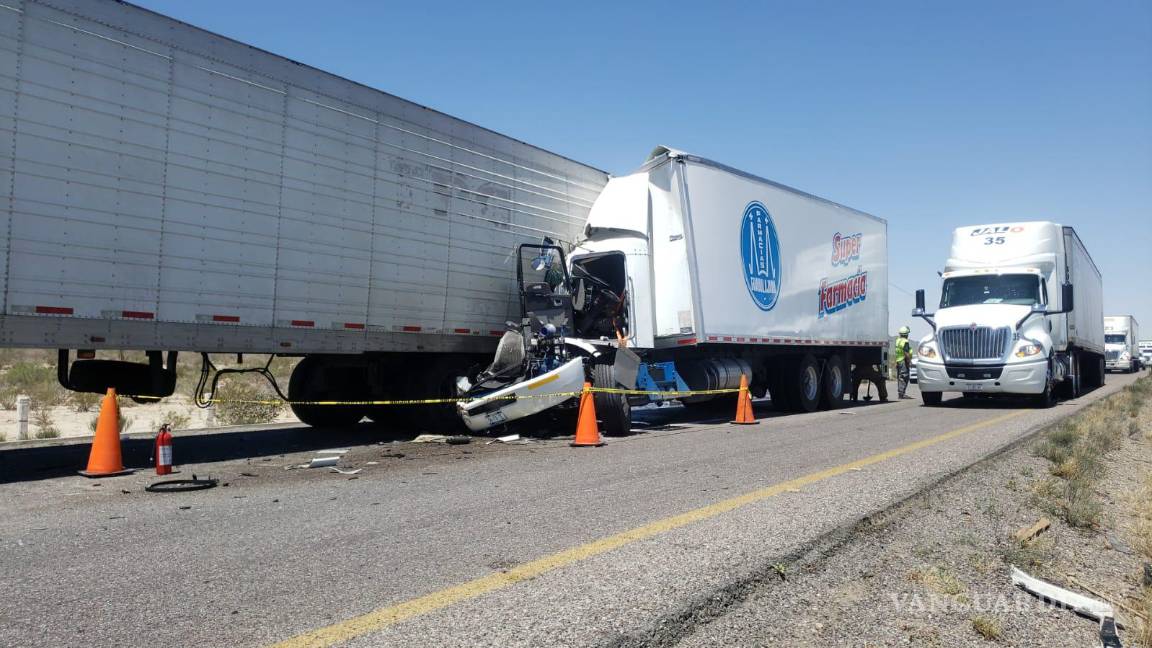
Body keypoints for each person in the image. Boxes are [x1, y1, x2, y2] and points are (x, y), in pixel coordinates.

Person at [895, 325, 914, 399]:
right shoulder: (905, 341)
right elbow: (906, 352)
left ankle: (901, 393)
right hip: (903, 360)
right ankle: (901, 394)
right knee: (904, 377)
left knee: (900, 377)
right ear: (906, 334)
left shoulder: (898, 340)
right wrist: (909, 362)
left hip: (898, 360)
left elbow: (897, 352)